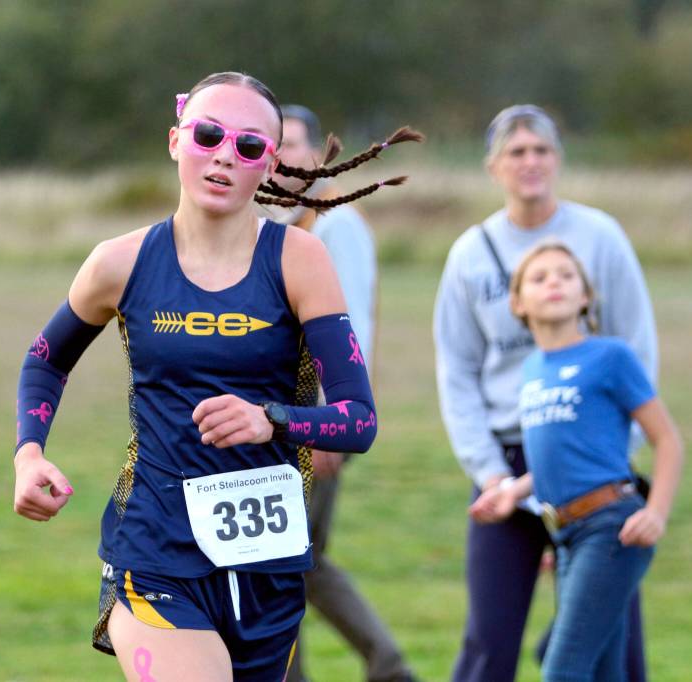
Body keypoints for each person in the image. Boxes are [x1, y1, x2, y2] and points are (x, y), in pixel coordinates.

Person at [13, 72, 420, 682]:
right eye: (208, 135)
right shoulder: (119, 262)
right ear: (176, 140)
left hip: (267, 567)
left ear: (271, 164)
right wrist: (28, 454)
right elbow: (47, 359)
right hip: (153, 551)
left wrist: (271, 420)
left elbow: (358, 420)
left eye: (249, 145)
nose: (225, 155)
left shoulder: (300, 260)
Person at [433, 104, 658, 682]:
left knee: (610, 641)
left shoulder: (600, 237)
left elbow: (636, 349)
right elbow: (457, 371)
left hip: (592, 463)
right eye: (516, 152)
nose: (529, 162)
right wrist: (489, 474)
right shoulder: (470, 253)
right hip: (507, 463)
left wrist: (609, 455)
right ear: (493, 166)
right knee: (489, 637)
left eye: (541, 150)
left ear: (557, 159)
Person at [469, 241, 683, 681]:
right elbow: (561, 455)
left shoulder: (611, 357)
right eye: (540, 277)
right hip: (566, 535)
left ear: (585, 296)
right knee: (605, 672)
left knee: (562, 669)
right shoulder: (532, 370)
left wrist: (656, 513)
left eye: (567, 276)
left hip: (611, 527)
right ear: (517, 302)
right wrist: (513, 491)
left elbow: (668, 441)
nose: (555, 283)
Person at [267, 103, 416, 682]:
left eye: (292, 144)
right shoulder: (287, 224)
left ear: (317, 154)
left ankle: (387, 665)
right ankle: (383, 666)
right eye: (271, 145)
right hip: (284, 417)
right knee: (290, 560)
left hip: (317, 419)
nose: (280, 157)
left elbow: (348, 326)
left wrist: (331, 419)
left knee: (289, 560)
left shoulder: (336, 224)